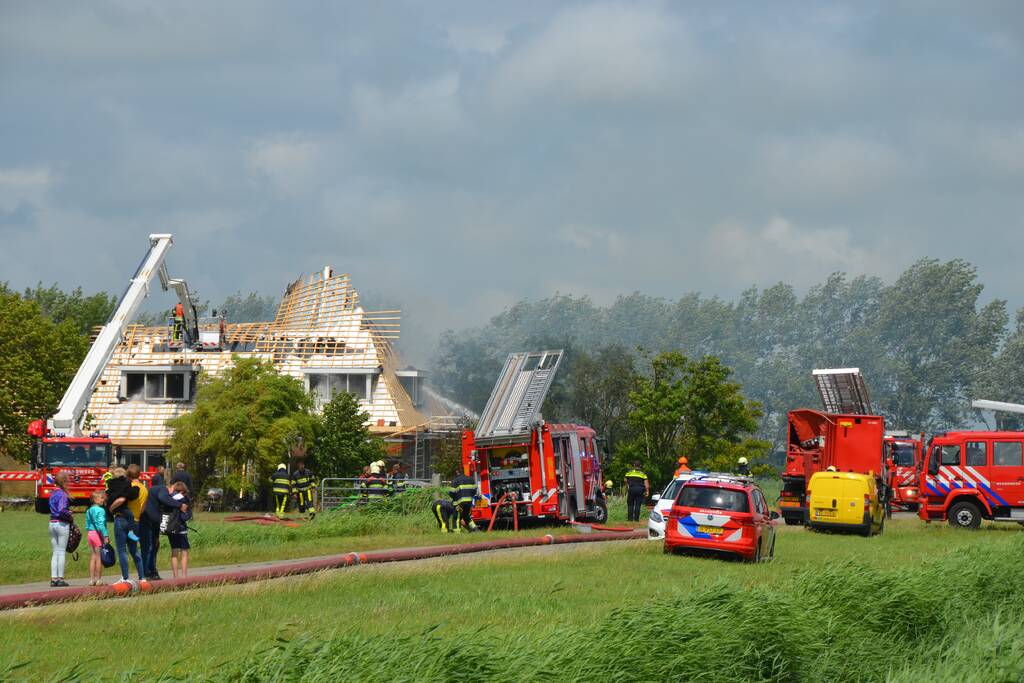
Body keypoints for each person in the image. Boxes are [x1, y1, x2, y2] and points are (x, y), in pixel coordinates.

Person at [141, 480, 189, 579]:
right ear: (173, 489)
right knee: (149, 546)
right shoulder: (162, 490)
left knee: (155, 546)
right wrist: (179, 505)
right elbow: (163, 498)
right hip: (147, 520)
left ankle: (153, 570)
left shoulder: (162, 491)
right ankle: (146, 572)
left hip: (155, 522)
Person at [107, 467, 146, 587]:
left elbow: (121, 499)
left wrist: (111, 508)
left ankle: (125, 577)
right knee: (135, 550)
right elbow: (143, 508)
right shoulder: (143, 488)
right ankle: (142, 577)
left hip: (121, 518)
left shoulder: (122, 486)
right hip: (135, 521)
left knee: (122, 550)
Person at [48, 473, 73, 587]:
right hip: (61, 523)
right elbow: (62, 510)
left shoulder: (52, 493)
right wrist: (70, 514)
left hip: (52, 523)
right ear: (63, 482)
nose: (69, 483)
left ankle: (53, 578)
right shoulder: (62, 494)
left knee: (55, 551)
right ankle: (60, 578)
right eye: (67, 481)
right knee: (61, 552)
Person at [167, 482, 192, 578]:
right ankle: (184, 577)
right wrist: (185, 511)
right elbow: (185, 517)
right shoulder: (183, 501)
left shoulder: (169, 499)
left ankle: (175, 577)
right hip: (181, 529)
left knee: (174, 552)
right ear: (182, 491)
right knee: (184, 553)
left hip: (171, 529)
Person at [85, 490, 110, 586]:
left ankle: (92, 580)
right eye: (101, 498)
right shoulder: (101, 510)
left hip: (90, 533)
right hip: (97, 534)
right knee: (99, 557)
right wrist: (105, 536)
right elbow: (101, 525)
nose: (103, 500)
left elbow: (87, 525)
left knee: (93, 557)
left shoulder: (88, 510)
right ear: (95, 499)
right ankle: (99, 579)